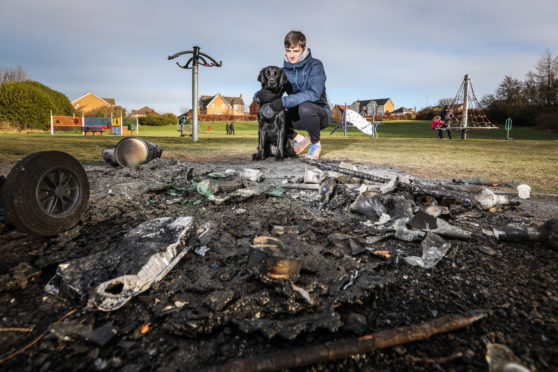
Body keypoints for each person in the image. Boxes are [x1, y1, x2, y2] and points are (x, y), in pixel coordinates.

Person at [255, 30, 330, 159]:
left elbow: (314, 94)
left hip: (319, 114)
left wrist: (283, 102)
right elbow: (273, 92)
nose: (291, 55)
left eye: (295, 51)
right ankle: (299, 139)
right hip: (298, 116)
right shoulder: (283, 72)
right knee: (274, 114)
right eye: (288, 51)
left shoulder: (315, 65)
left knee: (305, 107)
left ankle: (315, 144)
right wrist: (258, 95)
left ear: (303, 49)